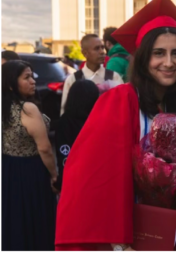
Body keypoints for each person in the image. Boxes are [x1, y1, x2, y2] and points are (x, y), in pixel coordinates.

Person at [55, 0, 176, 253]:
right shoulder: (121, 99)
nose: (169, 63)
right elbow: (93, 176)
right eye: (159, 53)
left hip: (165, 230)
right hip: (124, 234)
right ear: (143, 58)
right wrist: (118, 244)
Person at [1, 61, 58, 252]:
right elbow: (44, 148)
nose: (33, 81)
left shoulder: (4, 107)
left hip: (7, 169)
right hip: (30, 171)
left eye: (32, 76)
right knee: (32, 219)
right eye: (26, 77)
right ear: (11, 83)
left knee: (12, 218)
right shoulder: (27, 108)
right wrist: (54, 174)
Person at [61, 34, 123, 115]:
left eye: (102, 47)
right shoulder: (73, 79)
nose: (102, 52)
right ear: (85, 53)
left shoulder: (114, 77)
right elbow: (65, 112)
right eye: (97, 48)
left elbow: (122, 108)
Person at [55, 80, 100, 192]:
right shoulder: (98, 120)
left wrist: (60, 182)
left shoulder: (64, 121)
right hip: (96, 179)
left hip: (73, 181)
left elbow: (63, 155)